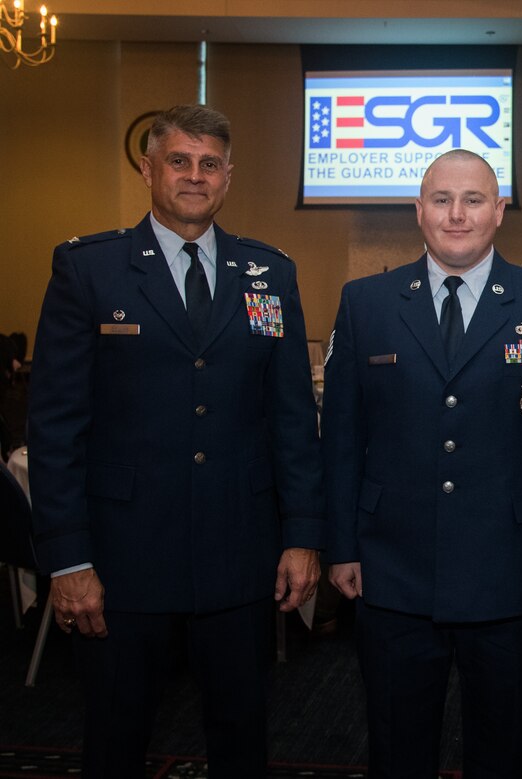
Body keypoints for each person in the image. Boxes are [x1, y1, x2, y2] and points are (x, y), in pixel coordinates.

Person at [28, 104, 324, 778]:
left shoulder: (269, 274)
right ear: (148, 168)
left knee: (243, 739)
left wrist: (303, 535)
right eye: (180, 161)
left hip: (239, 555)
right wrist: (68, 560)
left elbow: (290, 418)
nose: (195, 176)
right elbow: (55, 425)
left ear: (228, 176)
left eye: (210, 163)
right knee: (115, 737)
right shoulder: (90, 270)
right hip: (122, 559)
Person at [322, 149, 522, 778]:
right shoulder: (366, 303)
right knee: (396, 750)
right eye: (442, 199)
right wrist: (340, 545)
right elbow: (341, 438)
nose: (457, 214)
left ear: (498, 211)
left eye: (473, 200)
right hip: (391, 569)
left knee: (501, 752)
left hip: (513, 573)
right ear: (418, 210)